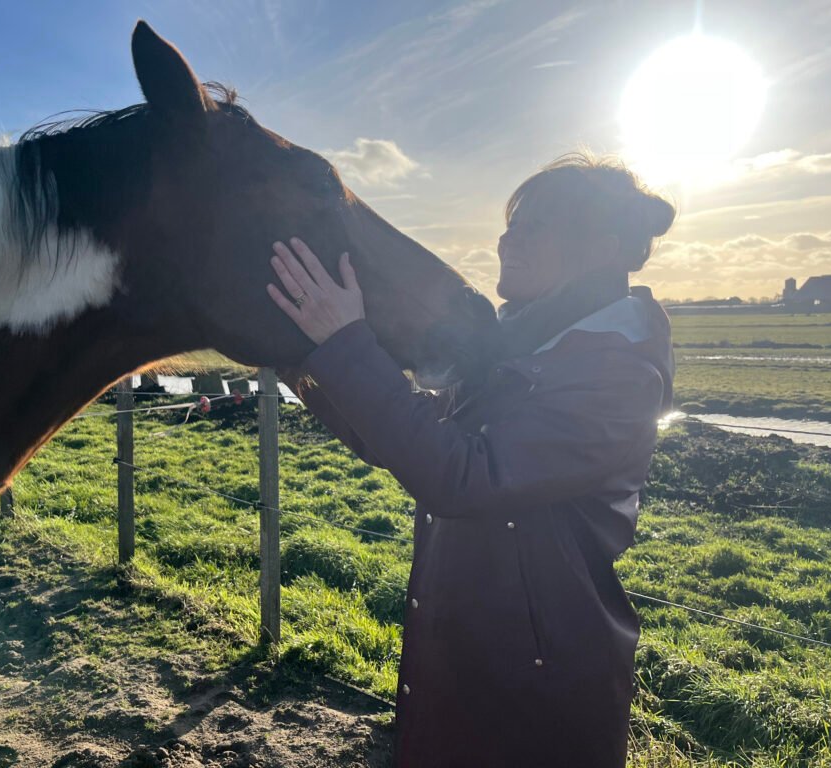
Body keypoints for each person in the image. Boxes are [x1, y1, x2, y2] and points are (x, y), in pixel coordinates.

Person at [266, 153, 677, 767]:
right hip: (475, 657)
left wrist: (347, 344)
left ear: (603, 245)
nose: (509, 239)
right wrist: (296, 355)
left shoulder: (614, 367)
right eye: (513, 224)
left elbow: (464, 476)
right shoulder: (525, 346)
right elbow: (406, 437)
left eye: (536, 225)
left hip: (539, 688)